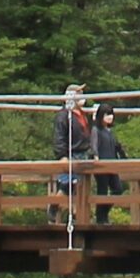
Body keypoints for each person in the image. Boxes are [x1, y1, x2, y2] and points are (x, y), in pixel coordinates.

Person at [50, 85, 92, 225]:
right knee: (67, 185)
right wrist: (62, 155)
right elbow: (59, 137)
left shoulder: (82, 114)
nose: (82, 96)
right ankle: (54, 206)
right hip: (71, 153)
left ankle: (75, 214)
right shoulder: (64, 116)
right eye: (79, 93)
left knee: (78, 186)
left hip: (82, 153)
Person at [91, 102, 128, 222]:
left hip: (112, 164)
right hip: (102, 165)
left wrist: (124, 157)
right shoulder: (96, 130)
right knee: (102, 191)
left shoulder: (110, 132)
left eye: (111, 114)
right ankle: (101, 218)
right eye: (107, 114)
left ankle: (103, 214)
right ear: (101, 115)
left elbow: (117, 147)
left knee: (117, 189)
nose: (110, 117)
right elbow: (94, 145)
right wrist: (95, 156)